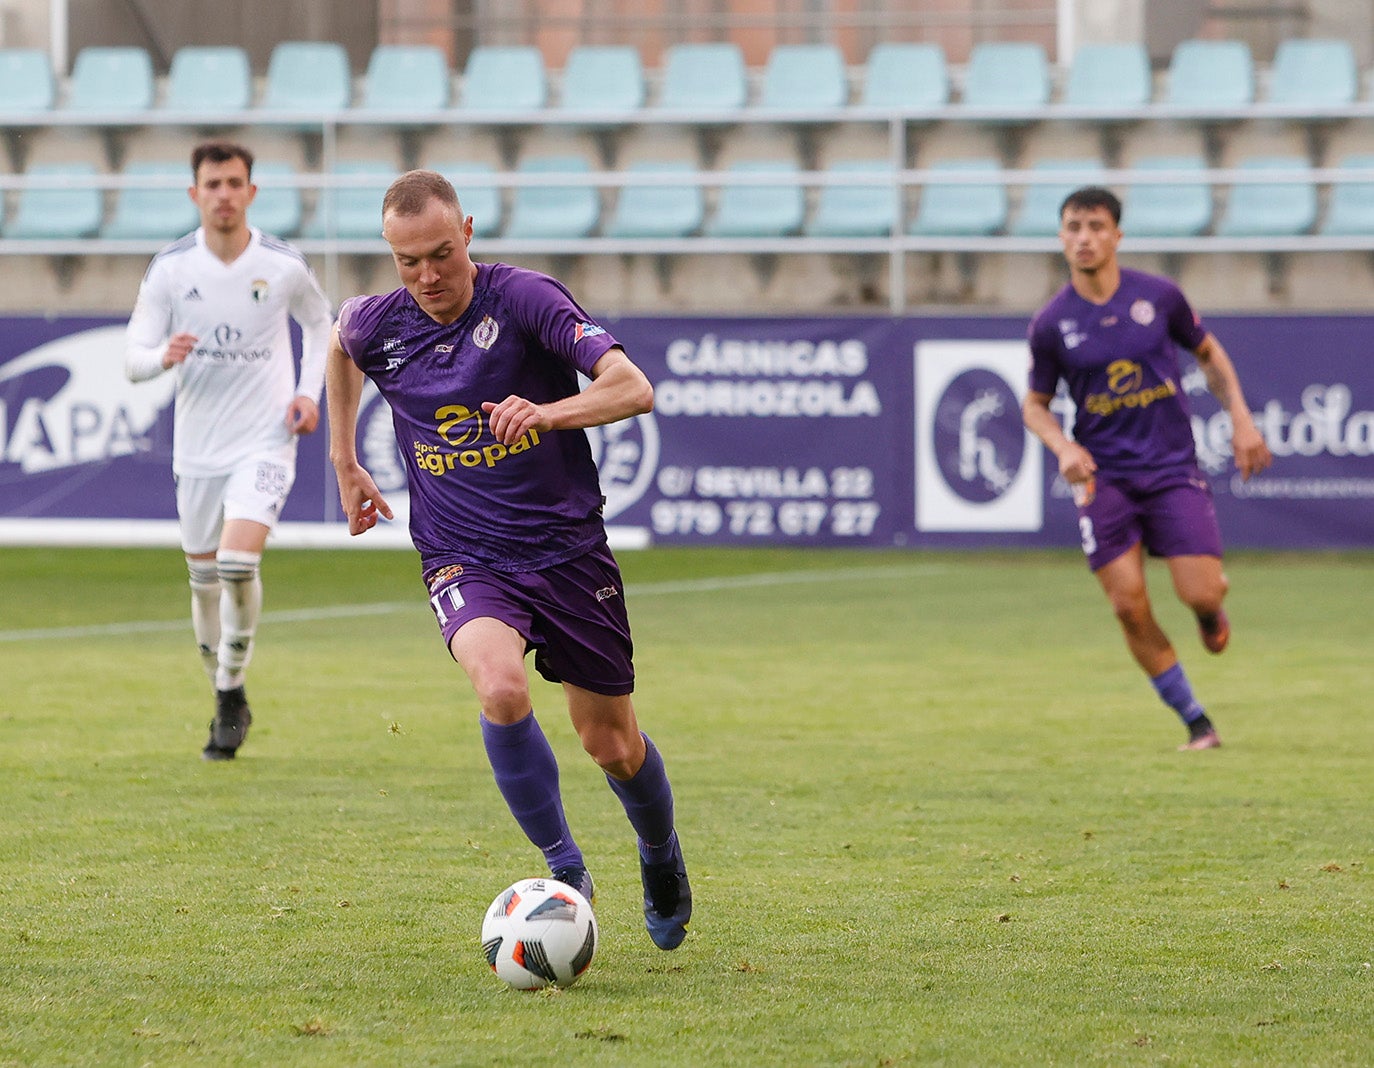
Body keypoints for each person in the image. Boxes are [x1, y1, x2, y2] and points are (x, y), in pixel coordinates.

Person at [324, 169, 691, 950]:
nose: (426, 277)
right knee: (498, 684)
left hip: (565, 550)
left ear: (468, 234)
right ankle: (565, 869)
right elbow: (339, 343)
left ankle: (660, 853)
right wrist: (344, 457)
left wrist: (549, 412)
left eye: (440, 255)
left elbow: (634, 388)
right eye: (407, 262)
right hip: (462, 555)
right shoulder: (377, 323)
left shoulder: (526, 300)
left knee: (612, 744)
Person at [1023, 186, 1272, 751]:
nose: (1083, 238)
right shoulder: (1051, 323)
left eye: (1095, 226)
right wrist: (1062, 447)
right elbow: (1033, 405)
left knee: (1199, 593)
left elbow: (1208, 353)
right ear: (1061, 237)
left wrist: (1240, 417)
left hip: (1169, 470)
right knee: (1127, 604)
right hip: (1103, 478)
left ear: (1117, 235)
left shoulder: (1159, 298)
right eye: (1073, 228)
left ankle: (1211, 611)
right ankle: (1196, 722)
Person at [125, 140, 333, 760]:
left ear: (251, 191)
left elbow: (322, 324)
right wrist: (162, 356)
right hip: (198, 449)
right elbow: (132, 359)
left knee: (238, 564)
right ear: (195, 194)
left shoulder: (283, 264)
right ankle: (228, 690)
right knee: (203, 580)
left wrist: (306, 392)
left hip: (266, 440)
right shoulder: (170, 270)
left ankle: (228, 689)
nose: (223, 194)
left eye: (234, 182)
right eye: (212, 184)